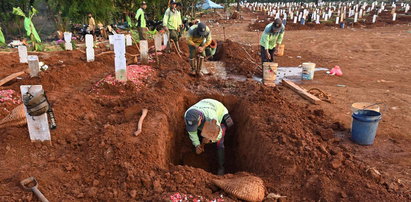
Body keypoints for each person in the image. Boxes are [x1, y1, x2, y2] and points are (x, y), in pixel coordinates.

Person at [184, 99, 234, 175]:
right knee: (198, 132)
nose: (193, 127)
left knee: (220, 141)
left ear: (200, 119)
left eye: (195, 125)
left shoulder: (211, 118)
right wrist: (197, 145)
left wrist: (210, 140)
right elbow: (192, 132)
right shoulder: (188, 115)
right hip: (204, 105)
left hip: (219, 110)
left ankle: (221, 167)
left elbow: (219, 135)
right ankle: (202, 134)